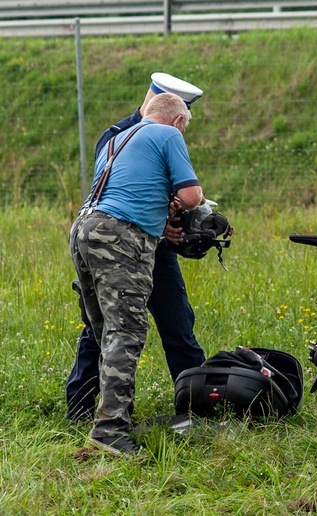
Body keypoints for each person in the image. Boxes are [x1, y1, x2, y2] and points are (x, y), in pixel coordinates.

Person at [70, 92, 205, 456]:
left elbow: (127, 191)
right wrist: (190, 200)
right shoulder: (169, 135)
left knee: (103, 334)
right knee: (125, 333)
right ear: (178, 121)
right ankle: (110, 431)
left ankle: (100, 414)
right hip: (120, 238)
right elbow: (192, 197)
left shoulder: (117, 138)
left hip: (84, 230)